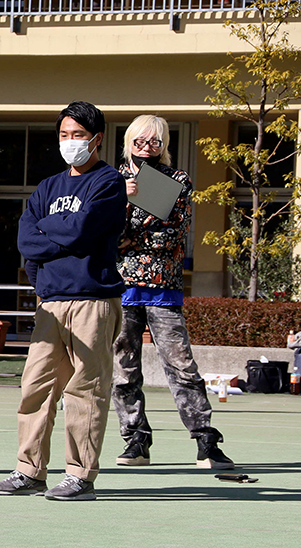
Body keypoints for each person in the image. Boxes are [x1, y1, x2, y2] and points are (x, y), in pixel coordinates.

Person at [0, 101, 126, 501]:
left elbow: (83, 231)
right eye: (64, 135)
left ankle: (80, 476)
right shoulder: (48, 187)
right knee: (36, 387)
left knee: (86, 389)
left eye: (78, 135)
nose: (70, 142)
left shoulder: (108, 182)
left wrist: (53, 231)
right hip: (50, 302)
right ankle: (29, 471)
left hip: (93, 301)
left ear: (96, 139)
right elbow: (26, 240)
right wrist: (57, 238)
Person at [111, 114, 234, 470]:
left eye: (155, 142)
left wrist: (128, 233)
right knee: (123, 368)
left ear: (165, 146)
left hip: (163, 287)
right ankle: (135, 440)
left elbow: (171, 235)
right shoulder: (112, 179)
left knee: (181, 366)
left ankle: (206, 440)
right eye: (140, 141)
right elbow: (103, 232)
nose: (147, 148)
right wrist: (128, 211)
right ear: (128, 142)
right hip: (121, 288)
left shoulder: (177, 179)